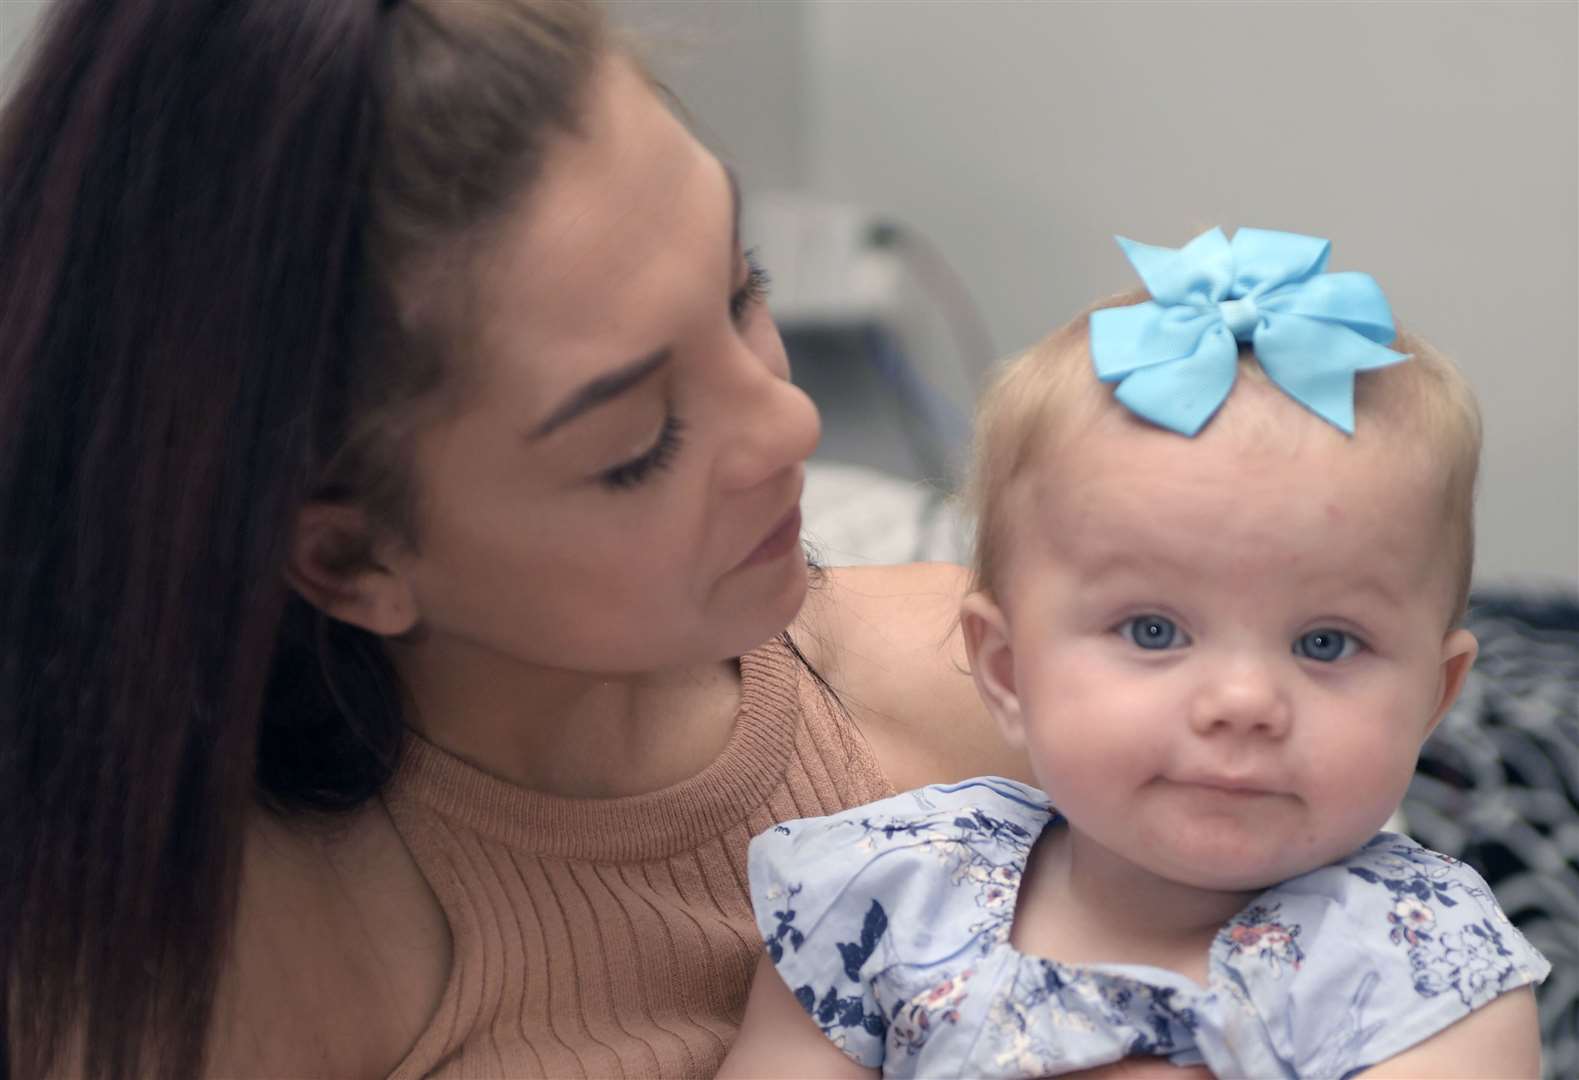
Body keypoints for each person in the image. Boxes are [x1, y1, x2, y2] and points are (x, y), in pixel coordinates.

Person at [0, 2, 1041, 1076]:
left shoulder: (1006, 702)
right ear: (350, 560)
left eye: (741, 292)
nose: (791, 424)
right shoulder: (198, 983)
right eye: (638, 442)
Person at [720, 228, 1551, 1078]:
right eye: (1153, 631)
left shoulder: (1425, 969)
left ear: (1432, 696)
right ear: (1006, 671)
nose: (1241, 700)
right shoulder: (889, 897)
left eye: (1324, 642)